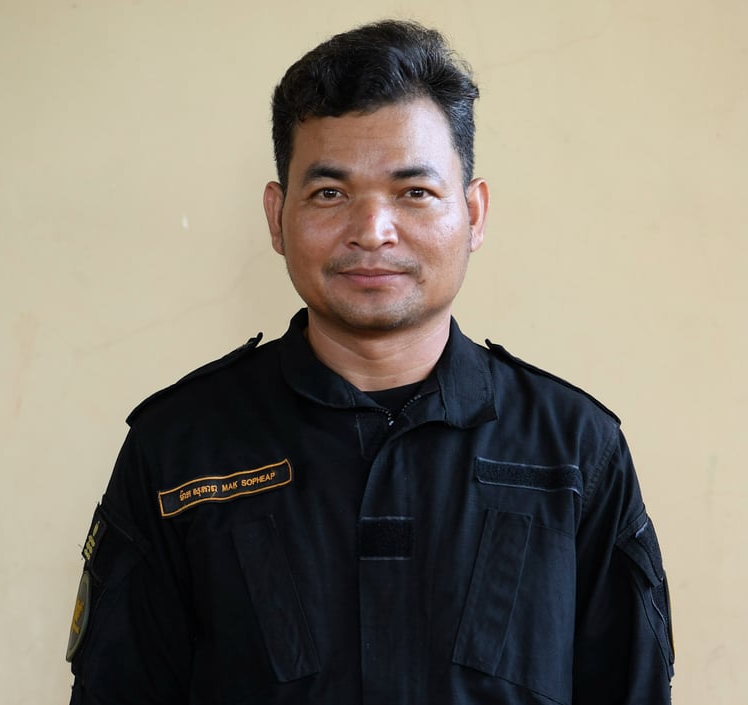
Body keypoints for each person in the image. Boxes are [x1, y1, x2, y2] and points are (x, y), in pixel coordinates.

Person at [65, 19, 674, 705]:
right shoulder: (179, 450)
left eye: (414, 192)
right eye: (330, 193)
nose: (372, 231)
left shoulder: (575, 452)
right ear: (277, 216)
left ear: (473, 213)